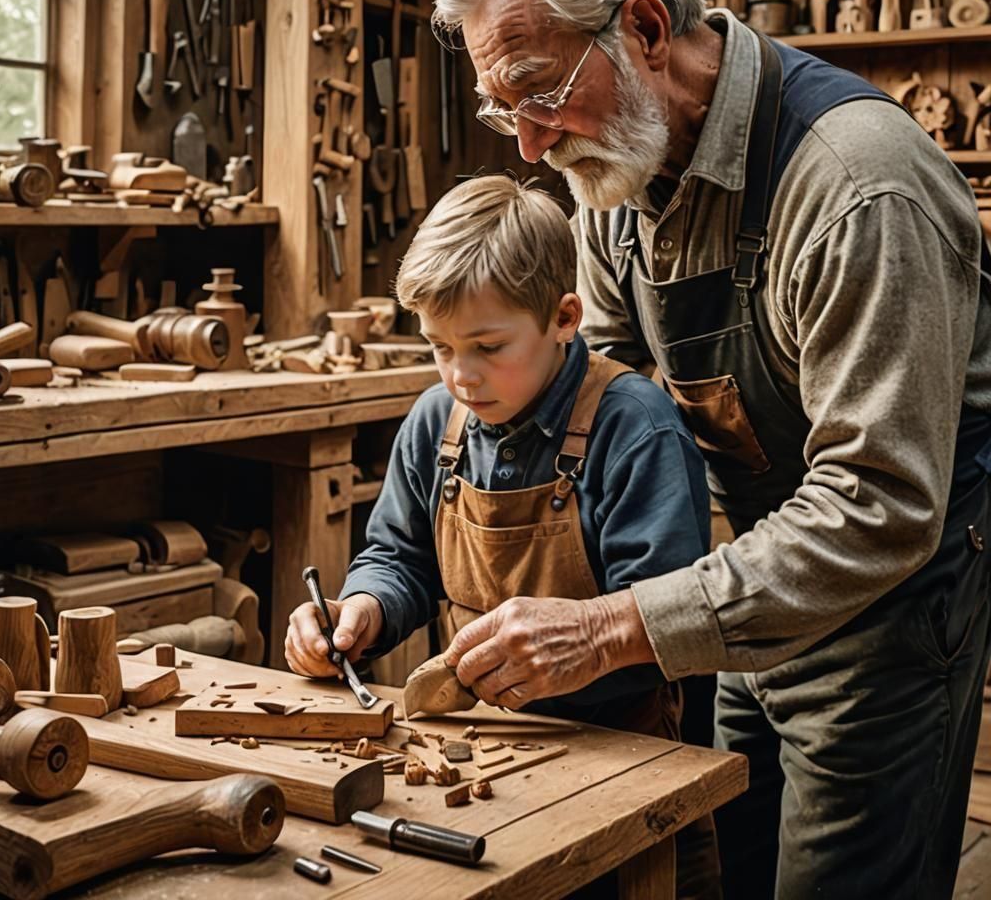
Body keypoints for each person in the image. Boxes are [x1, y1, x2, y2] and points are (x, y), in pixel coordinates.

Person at [428, 0, 991, 899]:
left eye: (538, 88)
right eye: (499, 107)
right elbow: (605, 402)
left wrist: (610, 628)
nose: (529, 143)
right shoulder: (614, 174)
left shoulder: (856, 186)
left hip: (885, 608)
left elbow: (879, 504)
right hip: (734, 589)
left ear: (645, 26)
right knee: (721, 864)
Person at [285, 174, 719, 895]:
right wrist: (362, 610)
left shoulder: (635, 429)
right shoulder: (436, 422)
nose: (460, 376)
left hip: (623, 759)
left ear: (564, 316)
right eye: (439, 347)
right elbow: (399, 557)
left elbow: (669, 627)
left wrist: (577, 647)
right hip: (479, 751)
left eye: (487, 346)